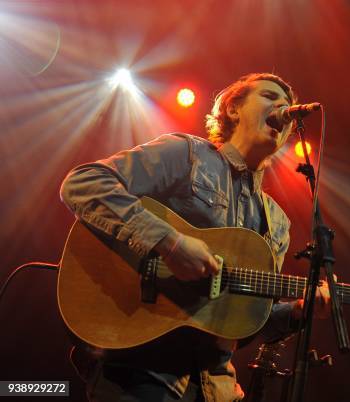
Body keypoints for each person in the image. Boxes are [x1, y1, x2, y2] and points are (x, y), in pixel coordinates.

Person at [60, 73, 330, 401]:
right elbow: (84, 183)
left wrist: (298, 312)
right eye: (270, 97)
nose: (284, 108)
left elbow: (244, 319)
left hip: (216, 387)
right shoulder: (186, 155)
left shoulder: (277, 223)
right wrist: (169, 242)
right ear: (233, 109)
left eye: (288, 104)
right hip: (140, 368)